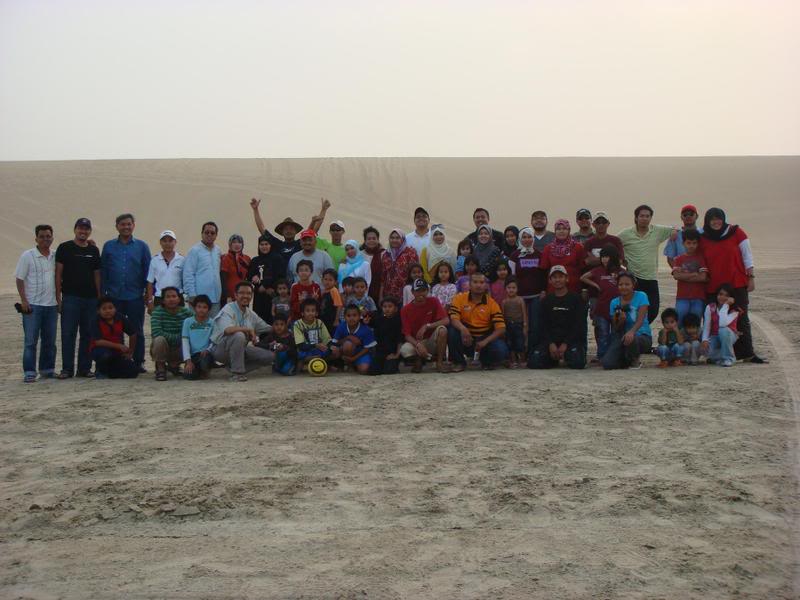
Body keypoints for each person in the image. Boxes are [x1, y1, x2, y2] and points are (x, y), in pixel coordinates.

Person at [699, 207, 766, 363]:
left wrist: (751, 277)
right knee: (713, 319)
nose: (716, 222)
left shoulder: (736, 232)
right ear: (707, 221)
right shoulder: (703, 236)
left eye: (718, 218)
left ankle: (747, 353)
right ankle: (716, 353)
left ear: (723, 219)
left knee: (741, 318)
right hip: (713, 285)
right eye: (712, 219)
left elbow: (747, 256)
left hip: (736, 283)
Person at [101, 213, 151, 372]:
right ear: (117, 226)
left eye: (129, 224)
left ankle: (138, 361)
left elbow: (148, 271)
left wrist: (147, 294)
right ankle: (118, 361)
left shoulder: (142, 246)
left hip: (135, 295)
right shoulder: (108, 246)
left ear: (133, 226)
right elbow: (104, 271)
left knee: (136, 330)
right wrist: (103, 294)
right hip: (114, 296)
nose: (126, 227)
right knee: (115, 330)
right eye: (122, 224)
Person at [55, 218, 101, 379]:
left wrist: (99, 298)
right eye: (80, 228)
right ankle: (67, 369)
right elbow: (58, 274)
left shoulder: (94, 250)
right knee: (68, 334)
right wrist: (58, 299)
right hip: (70, 298)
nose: (83, 231)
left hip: (90, 300)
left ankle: (84, 368)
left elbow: (97, 275)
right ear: (75, 230)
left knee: (88, 334)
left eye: (86, 229)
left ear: (90, 231)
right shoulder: (65, 248)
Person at [617, 205, 677, 324]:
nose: (644, 218)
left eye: (647, 216)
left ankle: (640, 328)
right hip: (634, 280)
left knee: (653, 310)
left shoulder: (657, 231)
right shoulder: (625, 234)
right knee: (633, 310)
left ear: (650, 218)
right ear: (636, 218)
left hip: (651, 278)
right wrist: (621, 261)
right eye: (641, 216)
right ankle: (633, 332)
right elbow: (613, 245)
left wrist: (674, 232)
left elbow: (674, 230)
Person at [15, 224, 58, 383]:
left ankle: (47, 370)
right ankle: (30, 372)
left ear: (52, 238)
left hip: (52, 305)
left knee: (49, 341)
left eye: (48, 236)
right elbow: (20, 279)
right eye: (42, 236)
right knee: (31, 341)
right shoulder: (28, 255)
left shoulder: (55, 255)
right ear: (36, 238)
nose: (45, 239)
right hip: (32, 305)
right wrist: (24, 300)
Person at [211, 282, 274, 381]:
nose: (245, 296)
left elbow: (267, 328)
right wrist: (248, 329)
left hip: (240, 350)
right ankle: (237, 373)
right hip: (221, 350)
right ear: (235, 295)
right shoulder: (228, 308)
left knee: (270, 356)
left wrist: (286, 329)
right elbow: (228, 330)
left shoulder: (251, 314)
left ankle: (234, 367)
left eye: (249, 293)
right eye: (242, 293)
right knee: (239, 335)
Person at [447, 272, 508, 371]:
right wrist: (463, 329)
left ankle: (486, 362)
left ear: (485, 285)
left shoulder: (492, 303)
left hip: (484, 339)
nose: (478, 285)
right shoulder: (459, 298)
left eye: (481, 282)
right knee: (452, 331)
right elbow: (454, 319)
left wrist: (485, 342)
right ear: (469, 285)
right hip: (466, 338)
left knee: (501, 350)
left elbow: (501, 328)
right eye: (475, 282)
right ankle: (459, 363)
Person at [530, 266, 586, 370]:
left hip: (569, 341)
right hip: (551, 341)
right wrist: (551, 344)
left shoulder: (576, 299)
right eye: (554, 277)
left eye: (561, 277)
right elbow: (542, 325)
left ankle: (565, 356)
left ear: (567, 278)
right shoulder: (546, 301)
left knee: (578, 363)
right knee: (535, 362)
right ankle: (553, 359)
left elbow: (578, 325)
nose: (558, 280)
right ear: (550, 280)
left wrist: (565, 344)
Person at [507, 226, 547, 357]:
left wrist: (543, 290)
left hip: (536, 296)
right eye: (524, 237)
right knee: (519, 326)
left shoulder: (539, 254)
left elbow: (543, 275)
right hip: (519, 297)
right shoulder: (514, 256)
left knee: (534, 326)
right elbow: (511, 276)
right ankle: (520, 352)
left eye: (529, 236)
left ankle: (532, 352)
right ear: (520, 239)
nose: (527, 239)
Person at [602, 272, 652, 370]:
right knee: (607, 364)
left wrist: (631, 332)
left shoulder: (642, 296)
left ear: (633, 285)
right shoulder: (614, 302)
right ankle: (626, 358)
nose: (623, 287)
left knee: (631, 338)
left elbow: (640, 320)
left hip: (642, 336)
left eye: (627, 284)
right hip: (622, 337)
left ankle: (635, 360)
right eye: (620, 284)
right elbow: (615, 327)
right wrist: (621, 320)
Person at [580, 244, 621, 360]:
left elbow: (631, 281)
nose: (604, 259)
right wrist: (596, 285)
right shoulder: (598, 270)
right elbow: (583, 277)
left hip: (617, 308)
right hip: (602, 307)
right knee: (602, 333)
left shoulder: (620, 271)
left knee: (615, 333)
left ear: (613, 257)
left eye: (607, 257)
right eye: (602, 257)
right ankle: (602, 356)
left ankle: (613, 356)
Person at [399, 279, 450, 373]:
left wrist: (427, 326)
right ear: (412, 292)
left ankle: (439, 363)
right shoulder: (405, 310)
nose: (420, 293)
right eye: (417, 291)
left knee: (442, 330)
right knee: (405, 350)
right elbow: (407, 335)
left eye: (423, 290)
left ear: (427, 291)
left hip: (430, 339)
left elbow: (446, 320)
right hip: (416, 341)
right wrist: (418, 345)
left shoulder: (434, 301)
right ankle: (418, 361)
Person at [250, 197, 319, 264]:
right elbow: (262, 229)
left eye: (291, 229)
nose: (288, 231)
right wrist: (255, 210)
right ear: (282, 232)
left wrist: (313, 222)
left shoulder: (299, 244)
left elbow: (308, 233)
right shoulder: (277, 244)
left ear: (295, 232)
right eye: (286, 229)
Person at [90, 296, 140, 379]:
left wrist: (130, 351)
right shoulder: (95, 321)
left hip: (117, 353)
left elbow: (133, 333)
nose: (108, 311)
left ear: (115, 309)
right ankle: (100, 371)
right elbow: (97, 341)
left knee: (133, 372)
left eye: (110, 308)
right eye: (104, 309)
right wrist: (119, 346)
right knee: (105, 355)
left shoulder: (120, 318)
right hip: (100, 350)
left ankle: (110, 372)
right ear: (98, 311)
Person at [150, 287, 193, 380]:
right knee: (159, 340)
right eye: (168, 297)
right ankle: (160, 369)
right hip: (164, 346)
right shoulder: (157, 312)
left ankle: (175, 366)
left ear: (179, 298)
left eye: (174, 296)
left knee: (191, 340)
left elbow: (194, 327)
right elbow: (156, 332)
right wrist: (180, 337)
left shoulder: (186, 312)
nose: (171, 299)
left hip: (180, 346)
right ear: (163, 300)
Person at [183, 221, 223, 316]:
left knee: (213, 327)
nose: (209, 235)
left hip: (216, 299)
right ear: (202, 234)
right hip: (198, 299)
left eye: (212, 233)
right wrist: (192, 295)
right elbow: (188, 274)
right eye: (206, 232)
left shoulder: (218, 250)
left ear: (216, 235)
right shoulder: (194, 251)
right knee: (198, 327)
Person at [671, 228, 709, 326]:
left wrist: (684, 276)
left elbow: (703, 277)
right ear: (683, 243)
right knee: (679, 320)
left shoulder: (701, 258)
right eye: (688, 243)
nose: (691, 246)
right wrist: (693, 274)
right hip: (682, 297)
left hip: (698, 297)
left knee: (695, 323)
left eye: (694, 243)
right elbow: (676, 275)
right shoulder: (678, 259)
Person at [540, 219, 586, 294]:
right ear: (555, 231)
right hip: (553, 290)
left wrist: (584, 289)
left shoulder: (578, 247)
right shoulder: (548, 248)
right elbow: (543, 272)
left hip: (574, 288)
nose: (561, 231)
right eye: (558, 229)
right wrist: (543, 290)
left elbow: (583, 269)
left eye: (564, 228)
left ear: (569, 230)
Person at [701, 283, 742, 367]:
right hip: (714, 335)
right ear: (717, 294)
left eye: (726, 295)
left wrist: (726, 305)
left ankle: (728, 358)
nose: (722, 297)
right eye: (720, 294)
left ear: (731, 297)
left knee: (723, 330)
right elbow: (706, 326)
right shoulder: (710, 307)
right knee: (706, 353)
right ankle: (727, 355)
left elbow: (722, 323)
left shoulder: (735, 310)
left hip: (729, 335)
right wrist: (704, 340)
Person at [247, 234, 285, 324]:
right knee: (259, 321)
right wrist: (254, 279)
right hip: (259, 297)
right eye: (262, 244)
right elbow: (250, 276)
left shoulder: (277, 259)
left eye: (266, 244)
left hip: (273, 295)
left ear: (271, 245)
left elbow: (280, 276)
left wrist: (266, 286)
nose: (264, 247)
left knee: (273, 321)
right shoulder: (255, 260)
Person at [293, 298, 341, 370]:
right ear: (302, 313)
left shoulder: (319, 323)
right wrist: (316, 345)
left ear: (316, 313)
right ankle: (318, 363)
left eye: (313, 311)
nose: (310, 313)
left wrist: (331, 347)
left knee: (335, 351)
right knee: (299, 354)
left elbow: (327, 340)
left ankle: (315, 363)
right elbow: (300, 345)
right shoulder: (298, 324)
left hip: (318, 350)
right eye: (307, 311)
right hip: (305, 350)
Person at [145, 230, 184, 313]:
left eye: (170, 241)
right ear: (160, 242)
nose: (167, 243)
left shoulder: (182, 260)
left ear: (175, 242)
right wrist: (150, 301)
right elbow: (150, 282)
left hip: (177, 297)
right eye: (164, 241)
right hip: (160, 298)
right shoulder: (154, 260)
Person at [333, 305, 378, 374]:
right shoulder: (341, 326)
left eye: (354, 315)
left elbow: (367, 348)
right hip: (346, 351)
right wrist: (348, 338)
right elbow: (335, 342)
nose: (351, 318)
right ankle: (348, 364)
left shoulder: (366, 329)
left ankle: (354, 363)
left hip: (361, 353)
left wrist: (354, 358)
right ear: (344, 317)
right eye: (348, 316)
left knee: (364, 370)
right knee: (347, 344)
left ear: (360, 316)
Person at [379, 228, 419, 302]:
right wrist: (380, 296)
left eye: (397, 238)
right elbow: (383, 278)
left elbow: (415, 274)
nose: (394, 240)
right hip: (388, 295)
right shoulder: (386, 254)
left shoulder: (410, 253)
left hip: (406, 293)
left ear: (402, 239)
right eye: (392, 238)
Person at [181, 294, 214, 380]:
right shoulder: (188, 322)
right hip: (193, 355)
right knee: (189, 376)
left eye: (204, 307)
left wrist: (208, 350)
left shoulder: (212, 323)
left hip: (205, 354)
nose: (201, 310)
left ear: (208, 309)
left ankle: (205, 370)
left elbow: (214, 341)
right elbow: (185, 341)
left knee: (204, 363)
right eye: (199, 307)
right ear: (194, 308)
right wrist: (188, 361)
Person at [369, 296, 403, 375]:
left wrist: (396, 355)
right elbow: (370, 324)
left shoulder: (399, 321)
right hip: (380, 352)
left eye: (390, 306)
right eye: (384, 307)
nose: (387, 309)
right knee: (373, 371)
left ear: (395, 308)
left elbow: (400, 339)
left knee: (389, 371)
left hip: (393, 352)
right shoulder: (379, 320)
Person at [312, 199, 347, 270]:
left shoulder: (347, 249)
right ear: (330, 232)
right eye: (333, 230)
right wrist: (323, 210)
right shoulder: (324, 244)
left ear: (343, 231)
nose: (335, 232)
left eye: (338, 230)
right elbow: (312, 233)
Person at [502, 277, 527, 368]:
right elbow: (503, 315)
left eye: (513, 288)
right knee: (510, 343)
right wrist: (503, 327)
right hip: (508, 325)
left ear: (517, 289)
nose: (511, 290)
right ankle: (513, 361)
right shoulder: (504, 302)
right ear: (505, 289)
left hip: (519, 325)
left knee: (520, 343)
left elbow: (524, 313)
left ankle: (523, 360)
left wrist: (525, 325)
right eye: (509, 288)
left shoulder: (520, 300)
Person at [220, 234, 251, 305]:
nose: (237, 245)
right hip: (229, 297)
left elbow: (249, 278)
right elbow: (222, 279)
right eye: (234, 242)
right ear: (230, 244)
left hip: (243, 297)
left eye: (239, 242)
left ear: (242, 245)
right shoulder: (225, 258)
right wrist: (227, 296)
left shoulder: (247, 259)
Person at [360, 226, 384, 303]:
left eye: (374, 238)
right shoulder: (359, 255)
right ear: (365, 240)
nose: (371, 241)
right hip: (361, 293)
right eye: (369, 239)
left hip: (378, 293)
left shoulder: (383, 254)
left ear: (378, 240)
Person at [320, 268, 344, 335]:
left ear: (335, 282)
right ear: (322, 280)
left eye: (330, 280)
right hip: (325, 319)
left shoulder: (334, 290)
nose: (327, 282)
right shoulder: (323, 291)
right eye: (325, 279)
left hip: (332, 320)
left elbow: (339, 305)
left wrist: (336, 320)